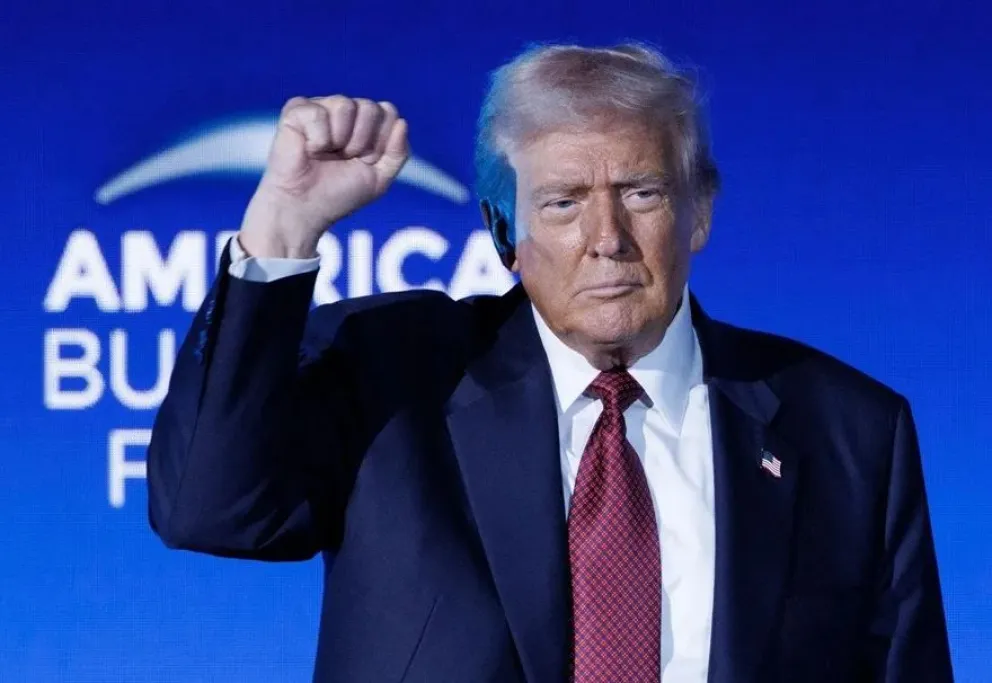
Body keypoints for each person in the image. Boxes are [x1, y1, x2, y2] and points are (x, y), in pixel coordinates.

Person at [147, 43, 953, 683]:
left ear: (699, 209)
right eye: (563, 202)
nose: (608, 237)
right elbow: (210, 508)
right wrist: (282, 228)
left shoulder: (849, 430)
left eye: (641, 192)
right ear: (506, 235)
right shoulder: (397, 375)